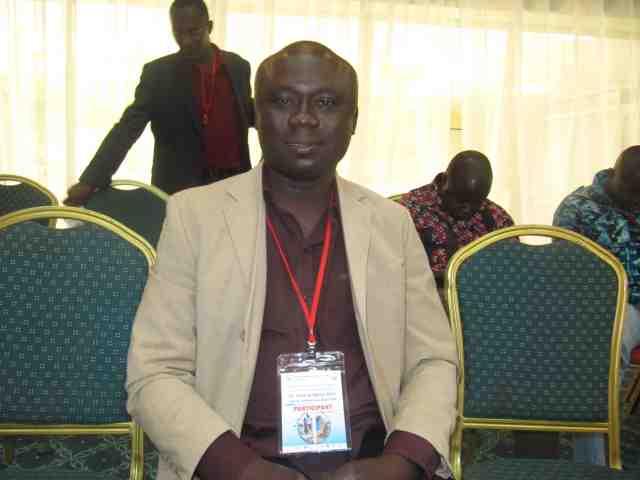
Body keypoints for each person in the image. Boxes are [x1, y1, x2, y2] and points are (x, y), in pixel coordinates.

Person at [126, 41, 458, 480]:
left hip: (373, 461)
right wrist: (241, 469)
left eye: (326, 103)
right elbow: (155, 372)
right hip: (232, 464)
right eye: (282, 101)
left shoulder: (391, 224)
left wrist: (401, 462)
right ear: (254, 115)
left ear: (354, 120)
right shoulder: (195, 217)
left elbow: (433, 362)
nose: (304, 118)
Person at [64, 0, 253, 205]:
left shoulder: (238, 67)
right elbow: (127, 129)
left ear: (209, 27)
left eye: (193, 32)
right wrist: (90, 180)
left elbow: (248, 113)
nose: (186, 41)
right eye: (179, 33)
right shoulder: (159, 74)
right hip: (179, 193)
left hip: (234, 189)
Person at [553, 145, 640, 466]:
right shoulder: (578, 208)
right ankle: (592, 466)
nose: (636, 202)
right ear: (614, 176)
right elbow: (564, 273)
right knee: (602, 354)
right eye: (632, 193)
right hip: (609, 304)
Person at [398, 151, 514, 290]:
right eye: (459, 199)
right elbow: (393, 268)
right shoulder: (407, 211)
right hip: (425, 295)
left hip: (486, 297)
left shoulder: (498, 219)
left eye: (476, 202)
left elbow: (514, 269)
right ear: (444, 181)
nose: (467, 208)